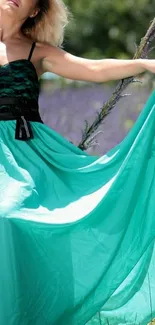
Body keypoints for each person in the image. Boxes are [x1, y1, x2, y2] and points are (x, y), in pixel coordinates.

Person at [1, 0, 155, 324]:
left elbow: (93, 69)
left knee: (10, 215)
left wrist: (145, 66)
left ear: (34, 11)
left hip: (27, 159)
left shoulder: (37, 52)